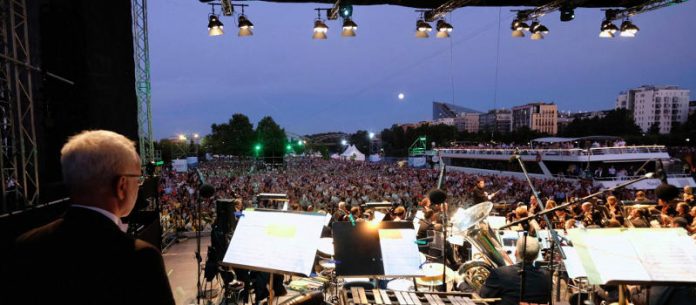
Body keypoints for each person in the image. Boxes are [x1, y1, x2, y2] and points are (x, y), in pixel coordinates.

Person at [3, 130, 175, 305]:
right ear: (121, 185)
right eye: (138, 180)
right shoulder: (139, 258)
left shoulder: (26, 245)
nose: (139, 187)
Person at [479, 236, 551, 305]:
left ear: (516, 253)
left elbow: (483, 298)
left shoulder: (500, 273)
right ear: (536, 256)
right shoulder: (547, 276)